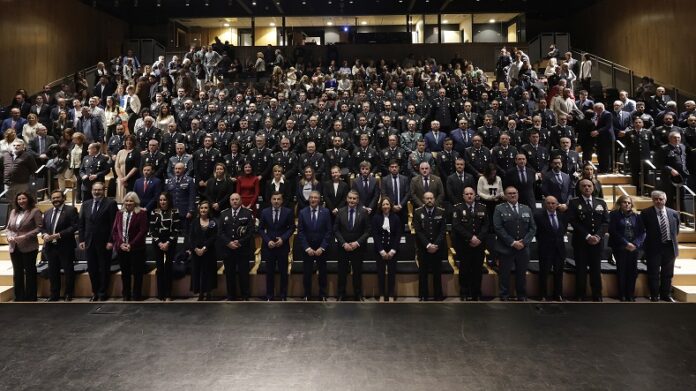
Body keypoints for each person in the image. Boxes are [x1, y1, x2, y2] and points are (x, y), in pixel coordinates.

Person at [568, 179, 609, 301]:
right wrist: (587, 236)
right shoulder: (574, 203)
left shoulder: (600, 202)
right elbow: (573, 221)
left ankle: (597, 294)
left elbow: (606, 222)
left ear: (593, 188)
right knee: (580, 269)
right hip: (581, 242)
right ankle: (580, 294)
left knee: (596, 269)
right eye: (584, 186)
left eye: (589, 186)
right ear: (580, 188)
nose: (587, 188)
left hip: (597, 242)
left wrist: (597, 236)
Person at [493, 186, 537, 301]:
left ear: (518, 194)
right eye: (510, 193)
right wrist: (512, 242)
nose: (513, 195)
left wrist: (524, 242)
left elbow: (533, 228)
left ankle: (521, 295)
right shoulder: (499, 209)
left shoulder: (526, 208)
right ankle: (504, 295)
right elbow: (498, 228)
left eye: (514, 193)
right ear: (505, 195)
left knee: (522, 274)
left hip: (523, 248)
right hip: (506, 248)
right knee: (504, 274)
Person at [79, 182, 118, 301]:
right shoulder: (86, 204)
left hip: (104, 243)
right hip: (89, 242)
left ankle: (102, 293)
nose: (97, 192)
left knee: (104, 268)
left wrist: (111, 241)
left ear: (104, 190)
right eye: (95, 190)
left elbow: (114, 224)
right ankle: (94, 292)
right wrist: (81, 240)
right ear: (91, 191)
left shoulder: (111, 203)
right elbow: (81, 224)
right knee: (92, 268)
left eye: (99, 190)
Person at [641, 190, 680, 302]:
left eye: (660, 199)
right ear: (652, 200)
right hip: (654, 248)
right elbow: (643, 231)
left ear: (665, 200)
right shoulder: (646, 213)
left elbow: (675, 231)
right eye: (656, 199)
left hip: (669, 247)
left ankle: (666, 294)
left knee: (668, 273)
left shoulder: (674, 213)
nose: (658, 201)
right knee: (653, 273)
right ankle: (654, 295)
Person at [108, 192, 148, 301]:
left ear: (135, 202)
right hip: (122, 248)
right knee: (125, 273)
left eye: (131, 201)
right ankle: (126, 294)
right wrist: (120, 243)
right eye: (126, 201)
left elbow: (143, 231)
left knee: (137, 273)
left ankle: (136, 294)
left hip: (136, 248)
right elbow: (115, 231)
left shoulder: (142, 213)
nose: (128, 203)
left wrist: (131, 244)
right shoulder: (119, 214)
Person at [452, 187, 489, 301]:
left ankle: (476, 292)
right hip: (464, 245)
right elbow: (457, 226)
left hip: (479, 244)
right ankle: (464, 292)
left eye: (471, 194)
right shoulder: (457, 208)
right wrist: (470, 238)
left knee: (477, 269)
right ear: (463, 196)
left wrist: (478, 238)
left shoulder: (482, 207)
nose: (469, 196)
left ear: (475, 195)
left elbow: (486, 225)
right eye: (467, 194)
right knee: (464, 269)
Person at [41, 190, 79, 302]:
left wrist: (58, 235)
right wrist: (44, 234)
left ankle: (68, 294)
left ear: (63, 198)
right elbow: (42, 227)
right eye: (53, 198)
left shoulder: (71, 210)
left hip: (65, 246)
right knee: (53, 271)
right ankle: (54, 294)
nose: (56, 200)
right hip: (50, 247)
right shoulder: (47, 212)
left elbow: (75, 226)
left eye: (58, 197)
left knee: (68, 271)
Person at [334, 190, 372, 301]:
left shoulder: (364, 212)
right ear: (346, 199)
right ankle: (341, 294)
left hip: (358, 247)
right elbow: (335, 230)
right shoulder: (340, 212)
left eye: (354, 198)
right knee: (342, 272)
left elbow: (368, 230)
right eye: (350, 198)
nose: (352, 200)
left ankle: (358, 294)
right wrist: (343, 243)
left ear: (358, 200)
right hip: (343, 247)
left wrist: (357, 243)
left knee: (357, 272)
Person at [218, 193, 255, 301]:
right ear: (230, 201)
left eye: (237, 199)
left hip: (242, 249)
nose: (234, 201)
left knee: (244, 273)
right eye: (232, 199)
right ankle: (231, 296)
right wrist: (228, 243)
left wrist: (239, 242)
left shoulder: (248, 213)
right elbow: (220, 232)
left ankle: (245, 295)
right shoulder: (224, 214)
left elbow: (250, 231)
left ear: (241, 201)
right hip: (228, 250)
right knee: (230, 274)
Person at [296, 191, 333, 301]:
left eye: (315, 198)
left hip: (321, 248)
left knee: (322, 272)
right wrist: (307, 248)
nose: (313, 199)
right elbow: (300, 232)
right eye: (311, 197)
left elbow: (328, 231)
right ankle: (307, 294)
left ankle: (322, 294)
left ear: (319, 199)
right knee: (307, 273)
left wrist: (322, 247)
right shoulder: (302, 212)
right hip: (308, 249)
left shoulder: (326, 212)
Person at [258, 191, 295, 301]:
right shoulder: (265, 212)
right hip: (269, 247)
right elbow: (260, 229)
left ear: (282, 200)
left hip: (282, 247)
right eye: (274, 199)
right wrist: (267, 240)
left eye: (278, 199)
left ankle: (283, 295)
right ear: (271, 200)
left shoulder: (288, 212)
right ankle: (269, 295)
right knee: (269, 273)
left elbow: (292, 228)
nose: (276, 201)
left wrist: (283, 239)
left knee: (283, 272)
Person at [608, 195, 646, 302]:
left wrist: (635, 244)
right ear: (620, 203)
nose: (627, 204)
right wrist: (626, 243)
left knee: (632, 271)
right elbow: (612, 231)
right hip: (619, 247)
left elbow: (642, 232)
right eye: (624, 202)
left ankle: (630, 294)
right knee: (622, 270)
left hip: (634, 248)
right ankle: (622, 294)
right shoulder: (614, 215)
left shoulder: (637, 216)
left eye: (629, 203)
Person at [6, 192, 42, 301]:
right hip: (14, 246)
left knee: (30, 272)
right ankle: (19, 297)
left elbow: (39, 227)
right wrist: (8, 237)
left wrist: (25, 236)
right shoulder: (13, 212)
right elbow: (8, 228)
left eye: (23, 198)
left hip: (29, 246)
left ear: (28, 199)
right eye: (19, 199)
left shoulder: (35, 211)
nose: (21, 201)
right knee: (17, 272)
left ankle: (31, 297)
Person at [412, 191, 446, 301]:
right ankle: (423, 295)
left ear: (434, 199)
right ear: (423, 200)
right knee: (423, 273)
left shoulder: (441, 212)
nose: (429, 200)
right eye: (427, 198)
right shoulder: (417, 212)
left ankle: (438, 295)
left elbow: (442, 231)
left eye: (431, 198)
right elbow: (418, 231)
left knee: (437, 273)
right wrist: (427, 245)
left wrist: (435, 245)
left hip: (437, 248)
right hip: (423, 248)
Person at [534, 195, 568, 301]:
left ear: (557, 204)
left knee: (559, 273)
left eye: (553, 203)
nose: (551, 205)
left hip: (559, 249)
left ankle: (558, 294)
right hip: (545, 249)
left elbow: (563, 230)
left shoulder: (562, 216)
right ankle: (542, 294)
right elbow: (537, 232)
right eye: (548, 203)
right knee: (544, 273)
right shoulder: (538, 216)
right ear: (545, 204)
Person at [149, 191, 181, 301]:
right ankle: (160, 294)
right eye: (161, 200)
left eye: (165, 200)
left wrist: (167, 243)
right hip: (158, 243)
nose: (163, 202)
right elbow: (152, 230)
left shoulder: (175, 211)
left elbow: (176, 229)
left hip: (170, 242)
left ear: (168, 200)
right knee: (160, 268)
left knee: (168, 268)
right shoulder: (154, 212)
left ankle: (168, 294)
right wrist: (159, 243)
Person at [188, 201, 218, 301]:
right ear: (199, 209)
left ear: (209, 209)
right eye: (201, 208)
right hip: (196, 253)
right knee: (198, 272)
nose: (203, 210)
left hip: (209, 252)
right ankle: (200, 293)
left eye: (205, 208)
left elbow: (214, 237)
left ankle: (208, 292)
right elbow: (191, 238)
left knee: (208, 272)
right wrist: (196, 249)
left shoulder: (213, 222)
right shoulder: (194, 222)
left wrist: (204, 248)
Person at [1, 139, 37, 206]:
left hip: (21, 184)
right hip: (8, 184)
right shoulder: (5, 155)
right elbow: (2, 168)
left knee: (23, 203)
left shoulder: (27, 156)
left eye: (18, 145)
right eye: (14, 145)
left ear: (23, 147)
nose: (15, 147)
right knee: (10, 203)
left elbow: (33, 169)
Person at [379, 160, 411, 224]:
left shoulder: (405, 179)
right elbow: (383, 194)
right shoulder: (384, 179)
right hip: (389, 208)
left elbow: (407, 193)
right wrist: (392, 206)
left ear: (398, 168)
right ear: (389, 168)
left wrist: (400, 205)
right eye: (392, 167)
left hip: (402, 208)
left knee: (402, 229)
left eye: (396, 167)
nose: (394, 169)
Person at [114, 135, 140, 202]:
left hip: (131, 179)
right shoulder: (120, 152)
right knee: (120, 200)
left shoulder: (136, 152)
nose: (128, 142)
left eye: (130, 140)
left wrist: (126, 178)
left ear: (133, 142)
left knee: (130, 198)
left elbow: (136, 166)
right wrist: (121, 178)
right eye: (127, 140)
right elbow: (116, 166)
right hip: (121, 179)